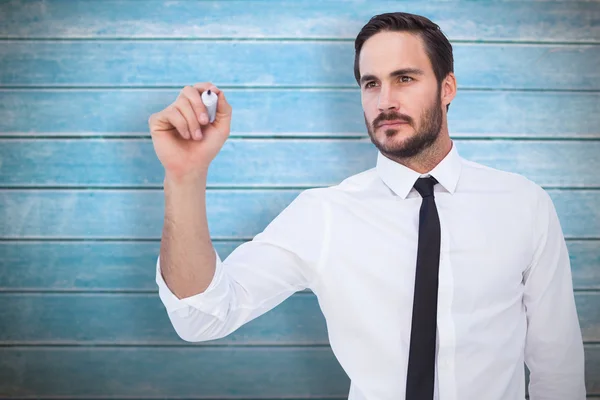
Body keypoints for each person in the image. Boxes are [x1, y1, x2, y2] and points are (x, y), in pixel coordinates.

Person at [148, 12, 586, 400]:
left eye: (405, 78)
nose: (385, 101)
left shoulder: (523, 205)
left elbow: (557, 367)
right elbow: (201, 317)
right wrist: (185, 178)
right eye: (370, 83)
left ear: (447, 87)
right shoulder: (324, 214)